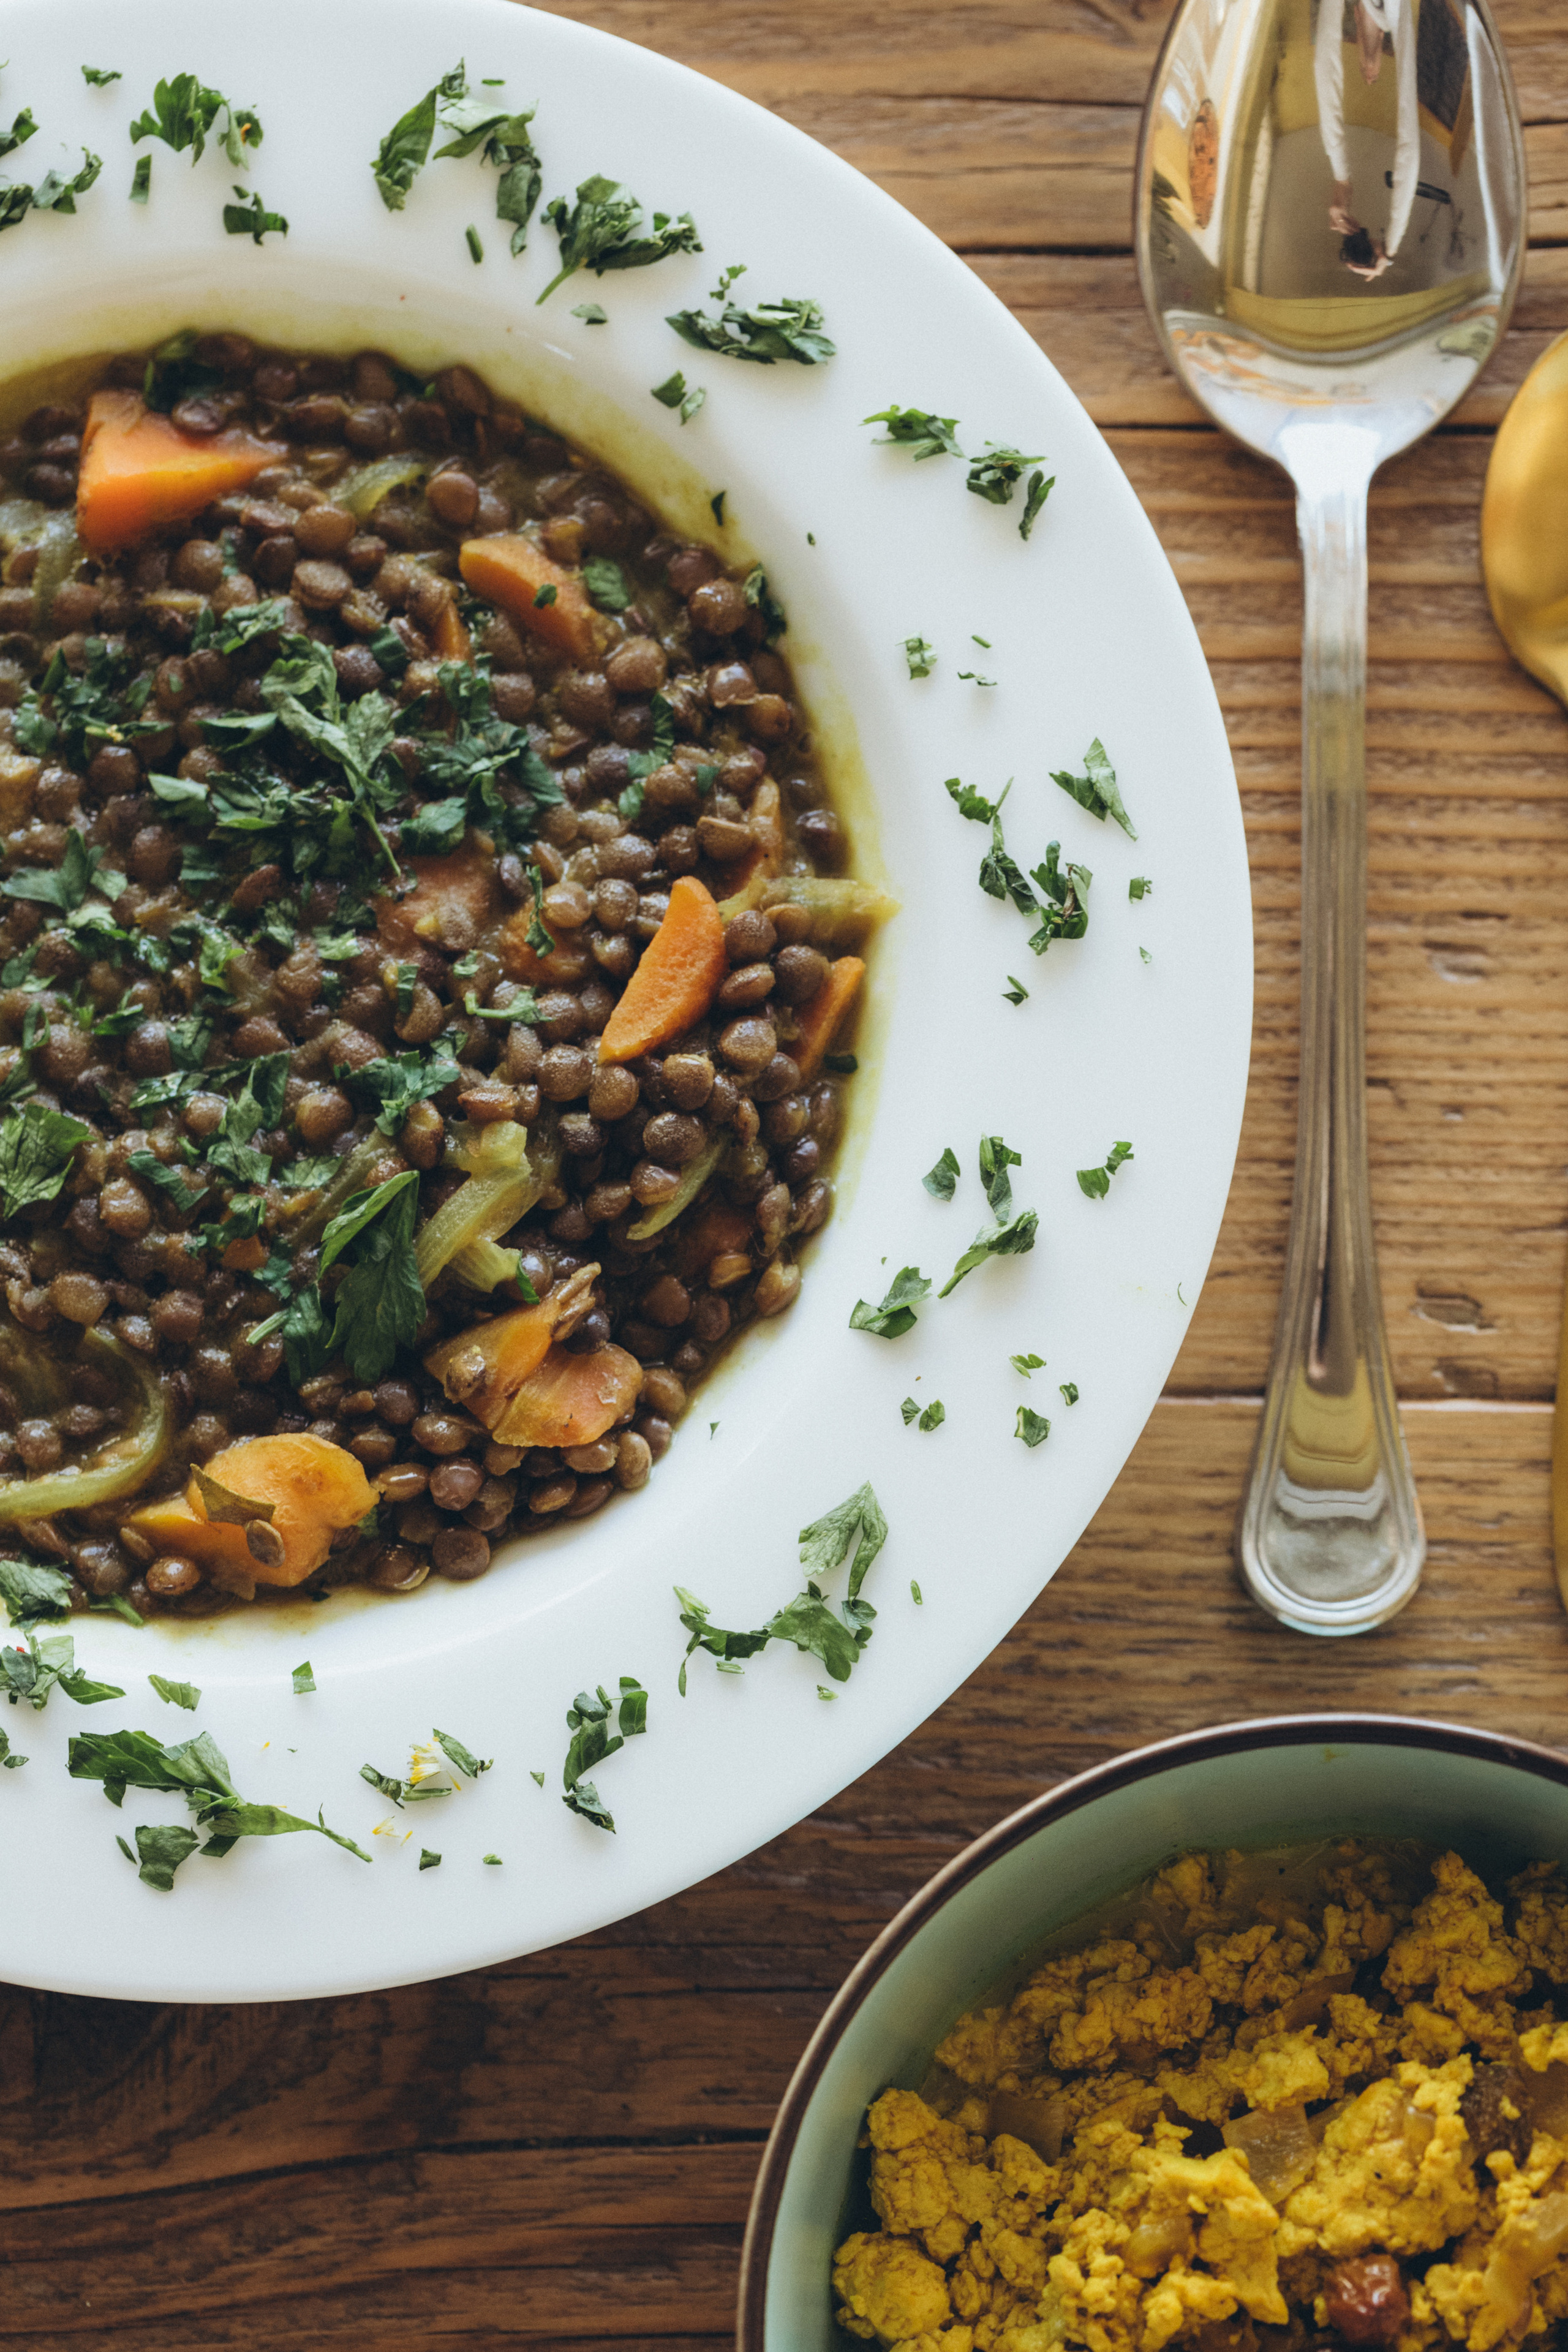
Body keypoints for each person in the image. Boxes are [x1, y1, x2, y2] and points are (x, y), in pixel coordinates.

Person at [1314, 0, 1419, 279]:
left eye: (1366, 69)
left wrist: (1342, 181)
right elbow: (1409, 148)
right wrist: (1389, 250)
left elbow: (1325, 64)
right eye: (1368, 70)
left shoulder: (1386, 21)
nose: (1370, 75)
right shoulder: (1393, 15)